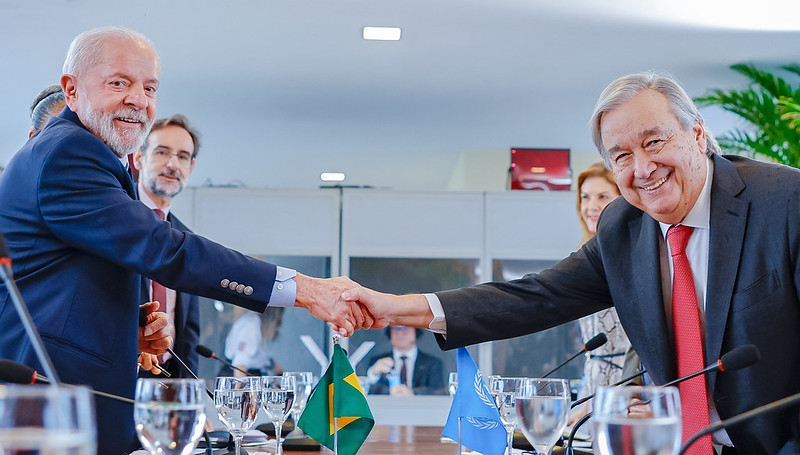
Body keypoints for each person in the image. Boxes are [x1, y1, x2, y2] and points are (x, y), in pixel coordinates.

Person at [344, 71, 800, 455]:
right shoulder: (624, 226)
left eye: (654, 141)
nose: (642, 168)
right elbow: (534, 296)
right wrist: (391, 308)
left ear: (697, 134)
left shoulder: (785, 202)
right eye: (621, 156)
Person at [0, 26, 367, 454]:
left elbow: (55, 280)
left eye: (150, 87)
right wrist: (306, 290)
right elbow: (165, 249)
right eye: (119, 82)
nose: (138, 99)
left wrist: (125, 330)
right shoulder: (69, 152)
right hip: (46, 413)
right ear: (72, 90)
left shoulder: (90, 156)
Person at [132, 114, 202, 378]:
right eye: (162, 152)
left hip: (169, 379)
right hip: (118, 377)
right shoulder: (114, 222)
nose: (173, 164)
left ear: (191, 167)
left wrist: (190, 396)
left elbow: (188, 331)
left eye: (183, 156)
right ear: (139, 158)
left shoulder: (187, 238)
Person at [569, 162, 632, 426]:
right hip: (591, 387)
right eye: (585, 197)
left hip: (625, 390)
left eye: (603, 196)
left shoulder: (632, 257)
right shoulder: (586, 256)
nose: (591, 206)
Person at [365, 325, 445, 395]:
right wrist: (373, 373)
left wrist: (412, 393)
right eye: (395, 329)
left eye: (405, 328)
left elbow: (438, 392)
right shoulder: (377, 361)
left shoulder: (432, 363)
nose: (400, 333)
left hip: (420, 409)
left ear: (415, 331)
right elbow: (369, 391)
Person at [222, 306, 284, 377]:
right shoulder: (251, 325)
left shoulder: (255, 322)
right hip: (241, 375)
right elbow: (240, 363)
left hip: (253, 375)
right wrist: (239, 386)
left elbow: (264, 358)